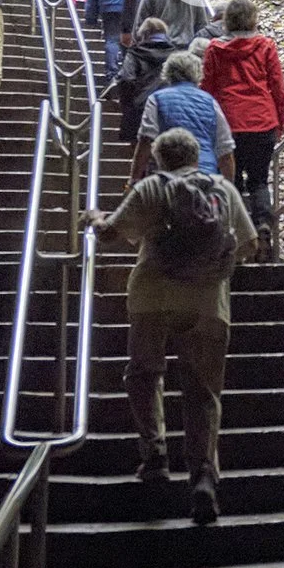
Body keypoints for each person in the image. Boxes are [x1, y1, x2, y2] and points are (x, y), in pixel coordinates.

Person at [87, 129, 255, 513]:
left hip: (151, 296)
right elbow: (248, 245)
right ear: (197, 155)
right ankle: (203, 477)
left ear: (159, 158)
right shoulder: (222, 190)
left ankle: (156, 456)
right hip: (207, 303)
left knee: (144, 375)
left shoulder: (151, 188)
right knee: (203, 392)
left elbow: (111, 232)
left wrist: (95, 218)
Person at [201, 0, 284, 257]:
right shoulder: (265, 46)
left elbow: (208, 88)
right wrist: (279, 121)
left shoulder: (215, 49)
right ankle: (262, 225)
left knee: (233, 180)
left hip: (229, 123)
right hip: (262, 121)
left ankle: (241, 234)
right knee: (260, 181)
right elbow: (278, 89)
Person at [135, 49, 233, 186]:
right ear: (197, 73)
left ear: (168, 72)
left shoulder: (156, 99)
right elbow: (225, 150)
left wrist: (134, 179)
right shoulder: (210, 102)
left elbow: (145, 140)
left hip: (168, 176)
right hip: (206, 175)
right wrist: (228, 188)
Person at [108, 18, 182, 144]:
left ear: (143, 35)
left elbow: (127, 78)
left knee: (139, 150)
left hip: (141, 109)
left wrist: (127, 103)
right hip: (171, 108)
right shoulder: (176, 54)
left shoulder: (135, 54)